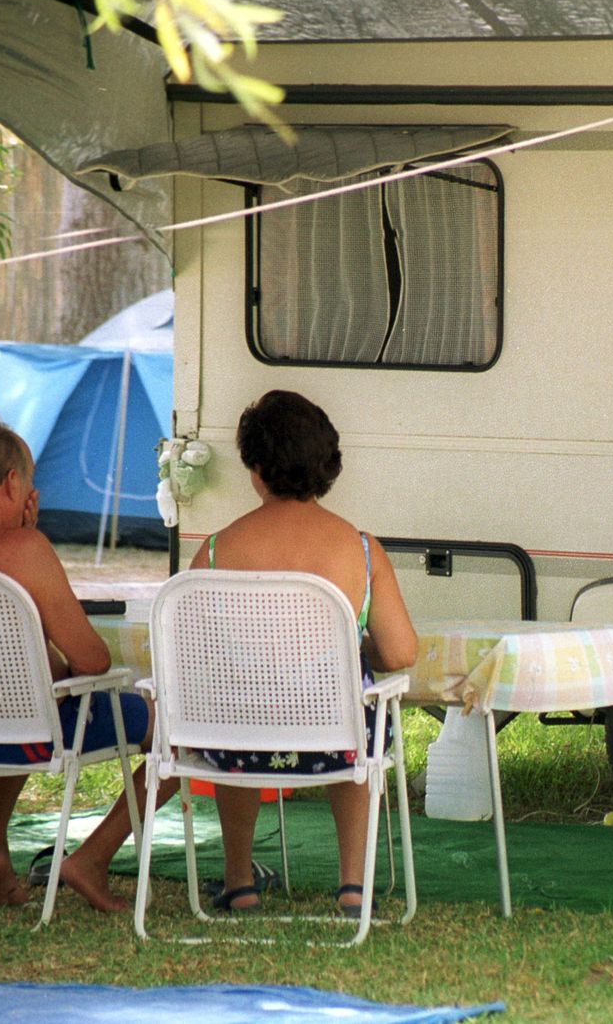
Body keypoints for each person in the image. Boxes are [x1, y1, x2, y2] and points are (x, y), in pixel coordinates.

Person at [0, 421, 177, 912]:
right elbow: (93, 660)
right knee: (181, 731)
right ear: (12, 483)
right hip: (27, 734)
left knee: (10, 695)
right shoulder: (23, 549)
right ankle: (91, 858)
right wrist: (28, 545)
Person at [192, 389, 417, 915]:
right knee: (356, 709)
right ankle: (352, 886)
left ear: (255, 466)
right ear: (327, 463)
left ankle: (240, 881)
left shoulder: (218, 548)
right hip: (335, 739)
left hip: (236, 738)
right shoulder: (360, 548)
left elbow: (194, 651)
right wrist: (353, 657)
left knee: (237, 705)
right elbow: (402, 651)